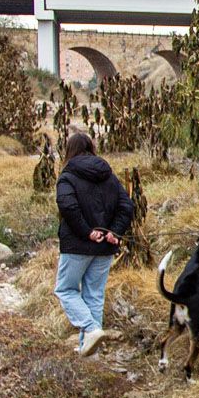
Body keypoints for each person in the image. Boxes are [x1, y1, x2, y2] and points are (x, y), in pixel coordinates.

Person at [53, 130, 135, 354]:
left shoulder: (68, 175)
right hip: (105, 247)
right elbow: (127, 206)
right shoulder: (108, 175)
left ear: (69, 150)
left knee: (65, 290)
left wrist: (87, 232)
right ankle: (89, 353)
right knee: (94, 296)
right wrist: (115, 232)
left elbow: (66, 204)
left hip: (77, 246)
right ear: (91, 148)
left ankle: (90, 330)